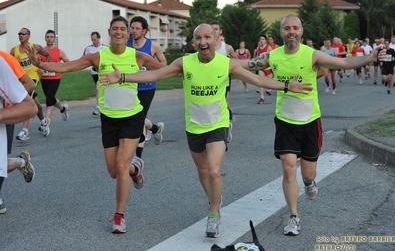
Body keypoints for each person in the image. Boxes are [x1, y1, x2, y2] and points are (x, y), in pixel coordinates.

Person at [99, 23, 313, 238]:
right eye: (198, 38)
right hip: (194, 127)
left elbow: (257, 78)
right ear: (193, 43)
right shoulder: (184, 63)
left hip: (218, 126)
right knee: (203, 173)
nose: (203, 42)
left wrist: (286, 87)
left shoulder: (226, 64)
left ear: (215, 40)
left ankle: (213, 214)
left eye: (207, 37)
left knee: (213, 171)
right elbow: (155, 75)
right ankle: (214, 198)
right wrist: (124, 77)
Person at [234, 15, 386, 236]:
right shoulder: (272, 56)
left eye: (295, 28)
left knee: (307, 173)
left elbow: (344, 62)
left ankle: (309, 182)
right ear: (281, 31)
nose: (291, 31)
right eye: (287, 28)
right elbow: (245, 63)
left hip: (309, 122)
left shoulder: (312, 55)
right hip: (285, 121)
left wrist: (370, 57)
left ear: (301, 32)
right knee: (288, 168)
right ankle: (294, 217)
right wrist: (215, 60)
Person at [26, 16, 165, 233]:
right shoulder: (98, 57)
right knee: (114, 171)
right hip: (108, 119)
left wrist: (190, 67)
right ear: (109, 32)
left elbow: (163, 70)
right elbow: (68, 66)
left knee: (120, 166)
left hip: (132, 116)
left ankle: (119, 217)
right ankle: (135, 168)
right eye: (114, 29)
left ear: (128, 34)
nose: (118, 32)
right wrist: (39, 64)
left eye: (123, 29)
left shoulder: (138, 56)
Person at [0, 56, 38, 214]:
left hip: (8, 113)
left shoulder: (5, 58)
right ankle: (21, 161)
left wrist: (7, 109)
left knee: (1, 162)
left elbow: (29, 84)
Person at [127, 16, 166, 160]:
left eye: (137, 28)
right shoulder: (126, 44)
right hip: (129, 86)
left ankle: (137, 158)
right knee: (136, 118)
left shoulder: (153, 46)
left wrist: (149, 65)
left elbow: (163, 62)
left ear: (144, 31)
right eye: (132, 28)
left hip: (147, 87)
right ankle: (155, 128)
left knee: (138, 119)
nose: (134, 31)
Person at [10, 27, 51, 141]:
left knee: (26, 99)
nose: (21, 35)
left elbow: (47, 55)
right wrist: (15, 64)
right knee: (34, 103)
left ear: (29, 36)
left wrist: (43, 67)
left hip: (32, 77)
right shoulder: (14, 50)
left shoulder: (35, 47)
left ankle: (25, 131)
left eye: (23, 33)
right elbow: (10, 66)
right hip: (21, 78)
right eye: (19, 33)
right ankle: (43, 122)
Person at [209, 21, 238, 142]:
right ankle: (218, 127)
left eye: (216, 29)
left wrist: (230, 68)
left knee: (222, 103)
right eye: (212, 29)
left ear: (220, 31)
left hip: (224, 81)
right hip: (209, 81)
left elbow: (236, 61)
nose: (215, 31)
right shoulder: (206, 45)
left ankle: (225, 127)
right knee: (213, 105)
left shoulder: (226, 47)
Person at [38, 29, 70, 136]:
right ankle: (63, 109)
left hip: (55, 79)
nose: (49, 39)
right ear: (45, 38)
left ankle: (46, 124)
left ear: (54, 39)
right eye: (48, 37)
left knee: (48, 100)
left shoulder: (59, 52)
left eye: (51, 37)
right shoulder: (41, 51)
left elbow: (68, 63)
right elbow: (37, 64)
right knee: (51, 98)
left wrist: (60, 68)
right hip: (44, 79)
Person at [83, 31, 108, 115]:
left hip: (103, 71)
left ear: (99, 38)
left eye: (95, 39)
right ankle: (101, 105)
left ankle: (98, 106)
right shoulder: (88, 49)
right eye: (92, 40)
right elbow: (84, 60)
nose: (93, 41)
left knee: (99, 88)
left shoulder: (105, 48)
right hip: (94, 72)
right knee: (99, 89)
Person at [254, 34, 269, 104]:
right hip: (261, 67)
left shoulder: (268, 48)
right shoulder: (258, 48)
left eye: (263, 39)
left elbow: (273, 56)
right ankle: (262, 97)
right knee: (261, 82)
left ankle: (269, 89)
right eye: (260, 39)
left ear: (265, 40)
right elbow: (256, 57)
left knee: (269, 82)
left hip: (268, 67)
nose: (261, 40)